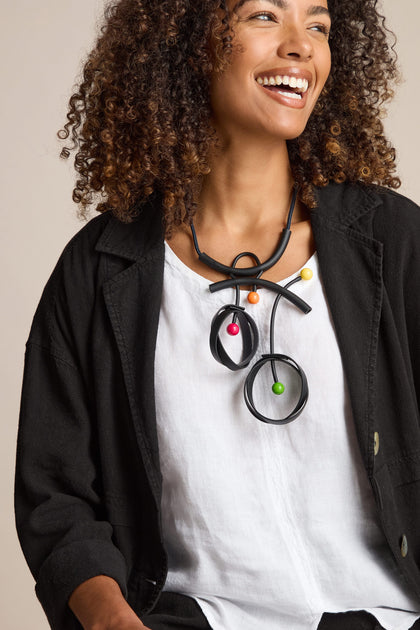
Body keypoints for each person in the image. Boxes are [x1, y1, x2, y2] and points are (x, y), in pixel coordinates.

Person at [15, 0, 420, 629]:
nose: (300, 46)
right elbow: (56, 495)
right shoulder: (99, 267)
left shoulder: (394, 240)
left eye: (318, 25)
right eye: (264, 16)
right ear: (185, 39)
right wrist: (111, 620)